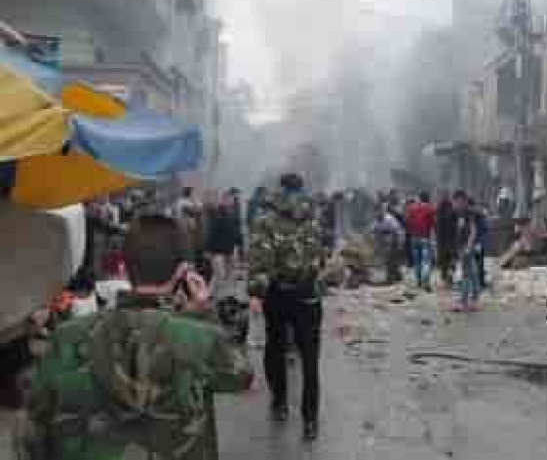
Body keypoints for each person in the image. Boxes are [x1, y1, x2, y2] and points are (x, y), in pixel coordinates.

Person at [15, 211, 252, 460]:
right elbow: (241, 376)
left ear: (125, 268)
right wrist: (204, 312)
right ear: (182, 272)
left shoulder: (67, 337)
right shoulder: (199, 338)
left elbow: (34, 427)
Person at [247, 173, 324, 441]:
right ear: (302, 188)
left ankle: (279, 402)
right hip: (308, 294)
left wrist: (256, 293)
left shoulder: (266, 219)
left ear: (280, 189)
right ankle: (310, 420)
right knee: (310, 358)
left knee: (276, 349)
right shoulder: (313, 215)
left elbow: (260, 257)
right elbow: (319, 256)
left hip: (278, 293)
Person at [452, 190, 480, 312]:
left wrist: (468, 246)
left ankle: (464, 302)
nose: (455, 204)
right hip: (462, 247)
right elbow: (459, 231)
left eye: (456, 201)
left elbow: (473, 231)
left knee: (466, 275)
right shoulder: (459, 213)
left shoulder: (468, 213)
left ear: (462, 200)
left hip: (466, 247)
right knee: (472, 274)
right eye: (454, 201)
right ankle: (474, 299)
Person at [405, 191, 437, 291]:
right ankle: (425, 281)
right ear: (428, 198)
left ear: (420, 198)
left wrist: (411, 233)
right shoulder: (430, 208)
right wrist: (433, 239)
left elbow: (408, 222)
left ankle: (418, 281)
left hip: (414, 238)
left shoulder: (412, 208)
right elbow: (433, 225)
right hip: (425, 238)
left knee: (417, 262)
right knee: (426, 261)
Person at [370, 203, 406, 284]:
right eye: (375, 211)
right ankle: (397, 276)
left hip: (392, 242)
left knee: (390, 261)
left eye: (378, 211)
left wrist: (400, 243)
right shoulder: (377, 220)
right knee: (390, 262)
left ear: (382, 210)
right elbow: (373, 229)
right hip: (383, 243)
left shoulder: (389, 219)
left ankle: (390, 278)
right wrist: (372, 236)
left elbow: (398, 231)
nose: (377, 213)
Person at [436, 191, 458, 287]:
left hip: (442, 242)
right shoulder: (453, 212)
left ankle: (445, 279)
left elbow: (437, 228)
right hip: (452, 242)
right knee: (451, 261)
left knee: (444, 263)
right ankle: (449, 279)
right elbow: (456, 227)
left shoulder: (439, 213)